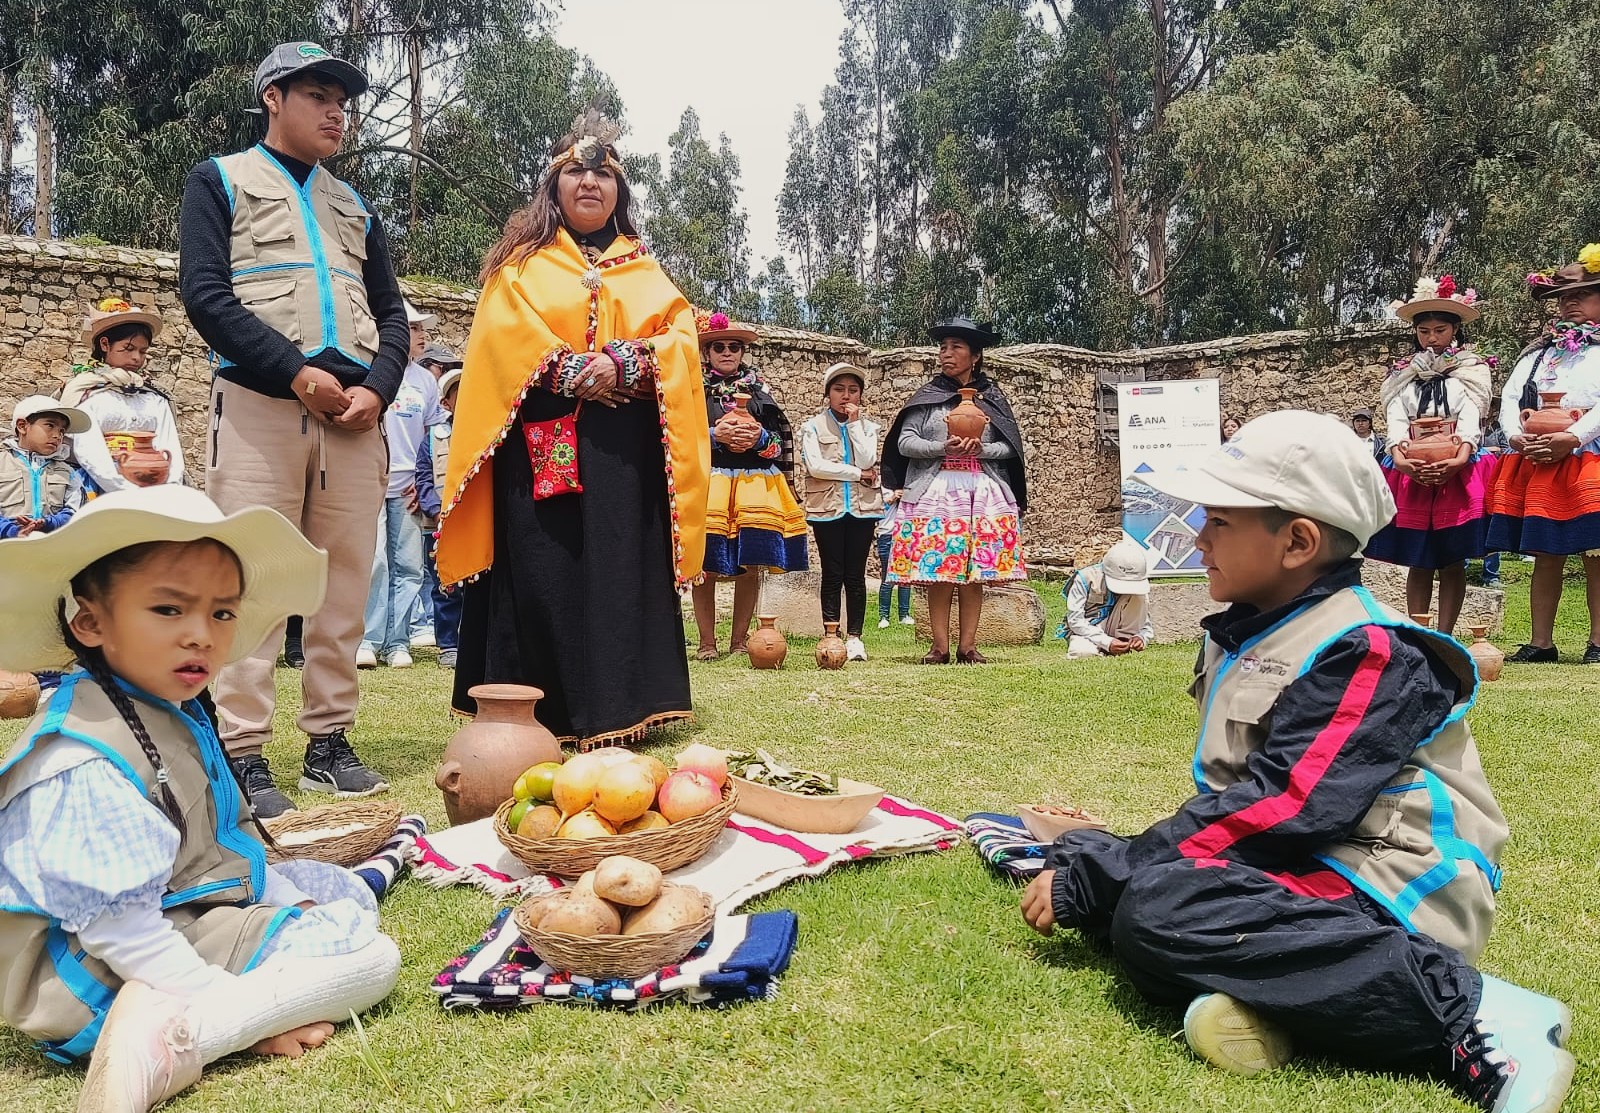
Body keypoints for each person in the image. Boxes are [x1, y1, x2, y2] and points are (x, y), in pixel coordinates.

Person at [1019, 411, 1573, 1113]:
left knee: (1154, 906)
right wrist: (1102, 855)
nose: (1200, 537)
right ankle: (1289, 1010)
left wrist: (1117, 866)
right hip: (1306, 866)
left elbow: (1286, 805)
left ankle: (1476, 1012)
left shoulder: (1371, 649)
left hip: (1391, 888)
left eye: (1220, 521)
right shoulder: (1249, 628)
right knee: (1126, 880)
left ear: (1298, 541)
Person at [0, 486, 401, 1113]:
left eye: (221, 613)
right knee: (371, 958)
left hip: (169, 920)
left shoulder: (164, 708)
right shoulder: (81, 756)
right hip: (87, 976)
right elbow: (118, 927)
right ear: (90, 621)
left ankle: (208, 1009)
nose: (201, 636)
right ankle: (181, 1037)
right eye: (169, 609)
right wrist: (246, 1015)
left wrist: (291, 900)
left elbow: (223, 836)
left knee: (331, 894)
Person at [178, 41, 409, 817]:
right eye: (318, 94)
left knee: (346, 583)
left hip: (352, 420)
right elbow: (206, 295)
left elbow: (392, 318)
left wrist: (377, 388)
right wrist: (293, 370)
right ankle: (242, 750)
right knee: (250, 577)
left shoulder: (354, 205)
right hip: (259, 407)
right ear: (272, 97)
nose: (336, 110)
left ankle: (328, 742)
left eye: (342, 99)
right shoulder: (220, 180)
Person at [436, 110, 709, 750]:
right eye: (576, 171)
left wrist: (628, 360)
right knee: (544, 568)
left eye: (604, 173)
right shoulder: (519, 269)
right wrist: (565, 367)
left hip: (623, 459)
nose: (590, 182)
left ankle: (625, 706)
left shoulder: (645, 270)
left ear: (620, 192)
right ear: (553, 186)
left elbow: (681, 338)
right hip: (540, 449)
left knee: (620, 568)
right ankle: (539, 707)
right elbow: (502, 342)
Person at [881, 317, 1027, 664]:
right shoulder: (928, 399)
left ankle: (968, 646)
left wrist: (982, 450)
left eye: (956, 347)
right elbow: (904, 442)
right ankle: (939, 646)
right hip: (938, 492)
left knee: (974, 574)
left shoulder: (991, 399)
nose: (946, 354)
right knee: (940, 571)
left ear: (975, 355)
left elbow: (1011, 447)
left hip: (983, 493)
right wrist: (941, 448)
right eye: (943, 347)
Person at [1364, 276, 1497, 637]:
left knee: (1452, 558)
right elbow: (1394, 417)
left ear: (1455, 330)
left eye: (1440, 329)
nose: (1432, 338)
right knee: (1420, 560)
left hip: (1457, 467)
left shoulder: (1469, 370)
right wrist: (1399, 456)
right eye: (1424, 331)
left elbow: (1472, 415)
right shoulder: (1404, 375)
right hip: (1413, 467)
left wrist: (1460, 456)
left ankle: (1446, 633)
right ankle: (1418, 630)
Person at [1489, 246, 1600, 664]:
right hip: (1538, 457)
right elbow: (1512, 396)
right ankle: (1541, 642)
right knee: (1545, 551)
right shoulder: (1540, 352)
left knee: (1596, 552)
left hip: (1588, 456)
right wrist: (1516, 437)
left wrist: (1572, 436)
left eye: (1582, 294)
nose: (1570, 302)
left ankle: (1598, 642)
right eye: (1564, 297)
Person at [691, 310, 808, 659]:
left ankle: (739, 640)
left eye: (734, 347)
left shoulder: (760, 394)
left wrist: (758, 439)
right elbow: (680, 438)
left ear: (742, 353)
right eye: (719, 347)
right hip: (711, 484)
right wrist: (715, 436)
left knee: (750, 562)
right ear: (707, 354)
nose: (727, 353)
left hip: (755, 484)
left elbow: (779, 444)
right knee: (705, 565)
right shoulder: (695, 393)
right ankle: (706, 642)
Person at [357, 299, 447, 670]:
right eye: (413, 328)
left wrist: (423, 481)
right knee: (375, 563)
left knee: (409, 566)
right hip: (370, 483)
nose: (421, 335)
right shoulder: (368, 370)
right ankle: (369, 640)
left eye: (422, 328)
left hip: (407, 488)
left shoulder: (425, 381)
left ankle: (399, 642)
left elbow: (433, 436)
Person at [798, 362, 883, 661]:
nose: (846, 395)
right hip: (828, 508)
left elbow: (867, 457)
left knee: (856, 575)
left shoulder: (869, 428)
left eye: (853, 390)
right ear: (828, 393)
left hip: (861, 509)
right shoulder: (811, 427)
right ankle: (830, 633)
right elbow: (817, 467)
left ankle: (856, 637)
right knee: (833, 572)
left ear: (860, 395)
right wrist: (857, 474)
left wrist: (855, 425)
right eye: (839, 389)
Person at [59, 298, 187, 494]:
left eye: (143, 351)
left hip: (154, 489)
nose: (137, 357)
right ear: (105, 344)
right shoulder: (86, 395)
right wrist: (125, 490)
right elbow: (90, 453)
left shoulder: (154, 398)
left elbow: (170, 447)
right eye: (128, 349)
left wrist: (170, 488)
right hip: (95, 489)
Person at [415, 365, 462, 667]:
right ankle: (449, 644)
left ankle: (474, 641)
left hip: (475, 523)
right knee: (445, 586)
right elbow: (423, 479)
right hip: (439, 527)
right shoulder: (434, 438)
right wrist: (436, 510)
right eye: (458, 394)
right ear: (445, 403)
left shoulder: (487, 433)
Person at [2, 396, 91, 540]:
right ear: (22, 426)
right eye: (50, 425)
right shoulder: (2, 464)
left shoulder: (68, 472)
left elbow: (75, 510)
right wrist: (12, 530)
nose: (57, 435)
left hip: (51, 547)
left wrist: (49, 524)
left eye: (62, 430)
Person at [1055, 538, 1154, 659]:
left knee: (1138, 597)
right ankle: (1106, 648)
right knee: (1082, 653)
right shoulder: (1085, 578)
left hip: (1120, 631)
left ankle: (1124, 644)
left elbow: (1145, 622)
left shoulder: (1139, 590)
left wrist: (1141, 637)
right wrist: (1106, 642)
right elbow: (1075, 620)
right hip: (1088, 630)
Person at [875, 490, 912, 628]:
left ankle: (904, 614)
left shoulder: (906, 485)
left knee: (904, 577)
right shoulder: (880, 486)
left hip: (905, 533)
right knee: (887, 577)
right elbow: (875, 509)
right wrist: (892, 498)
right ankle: (884, 616)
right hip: (886, 534)